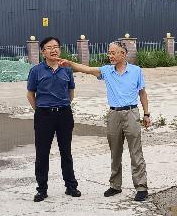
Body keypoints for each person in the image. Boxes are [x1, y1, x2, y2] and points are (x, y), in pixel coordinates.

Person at [58, 40, 150, 202]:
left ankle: (141, 187)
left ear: (123, 54)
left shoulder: (136, 71)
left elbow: (142, 93)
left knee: (136, 152)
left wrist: (146, 114)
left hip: (131, 113)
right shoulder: (107, 71)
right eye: (109, 53)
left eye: (113, 53)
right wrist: (69, 63)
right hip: (114, 114)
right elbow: (86, 69)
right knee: (115, 151)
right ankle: (115, 185)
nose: (110, 56)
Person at [26, 37, 81, 202]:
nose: (53, 50)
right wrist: (40, 110)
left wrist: (63, 105)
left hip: (64, 114)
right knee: (42, 153)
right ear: (43, 52)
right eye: (49, 47)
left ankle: (71, 186)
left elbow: (71, 91)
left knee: (66, 151)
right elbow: (30, 94)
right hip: (44, 115)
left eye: (56, 47)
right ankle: (42, 189)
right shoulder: (36, 71)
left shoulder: (67, 69)